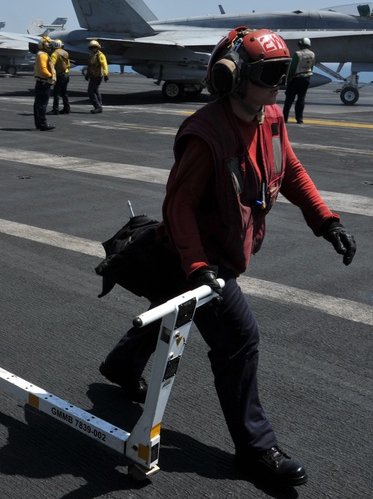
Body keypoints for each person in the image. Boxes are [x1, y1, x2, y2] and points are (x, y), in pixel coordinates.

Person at [98, 26, 356, 489]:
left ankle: (120, 366)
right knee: (239, 340)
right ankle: (256, 449)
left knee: (169, 311)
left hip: (210, 259)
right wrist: (199, 267)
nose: (280, 82)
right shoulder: (206, 134)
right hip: (196, 259)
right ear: (232, 77)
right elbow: (178, 206)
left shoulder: (269, 115)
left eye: (284, 72)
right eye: (270, 73)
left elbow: (289, 169)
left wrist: (326, 221)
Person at [282, 37, 315, 123]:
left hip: (296, 78)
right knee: (301, 99)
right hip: (306, 79)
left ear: (300, 44)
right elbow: (311, 67)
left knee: (289, 99)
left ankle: (284, 118)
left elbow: (292, 67)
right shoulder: (312, 54)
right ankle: (299, 119)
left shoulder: (297, 54)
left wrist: (288, 78)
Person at [33, 38, 56, 131]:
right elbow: (43, 68)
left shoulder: (39, 54)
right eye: (48, 44)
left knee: (38, 104)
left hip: (40, 81)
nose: (49, 46)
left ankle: (38, 123)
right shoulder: (42, 55)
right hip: (44, 82)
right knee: (42, 104)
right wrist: (50, 76)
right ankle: (43, 124)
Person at [85, 40, 109, 113]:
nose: (93, 49)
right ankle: (99, 106)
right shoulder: (91, 55)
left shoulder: (100, 55)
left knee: (90, 91)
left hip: (98, 76)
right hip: (92, 76)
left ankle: (97, 106)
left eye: (95, 47)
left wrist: (106, 74)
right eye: (92, 47)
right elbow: (90, 66)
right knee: (95, 91)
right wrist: (87, 74)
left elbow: (104, 65)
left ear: (98, 47)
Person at [50, 39, 71, 114]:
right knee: (64, 93)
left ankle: (55, 109)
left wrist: (51, 75)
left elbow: (51, 64)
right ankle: (67, 108)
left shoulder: (54, 54)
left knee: (56, 93)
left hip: (60, 75)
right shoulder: (65, 52)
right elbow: (68, 64)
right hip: (66, 75)